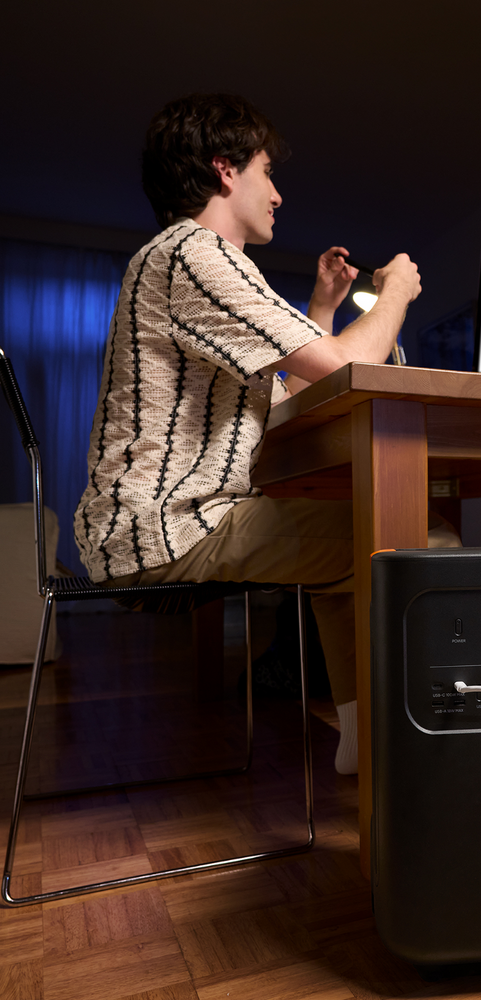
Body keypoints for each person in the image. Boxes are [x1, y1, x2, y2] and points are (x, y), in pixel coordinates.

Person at [74, 93, 458, 775]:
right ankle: (416, 760)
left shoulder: (175, 260)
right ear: (226, 171)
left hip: (149, 523)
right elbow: (344, 368)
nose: (277, 193)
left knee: (356, 525)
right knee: (419, 536)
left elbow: (291, 389)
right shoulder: (194, 253)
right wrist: (395, 291)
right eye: (266, 171)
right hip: (169, 527)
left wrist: (321, 310)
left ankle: (364, 738)